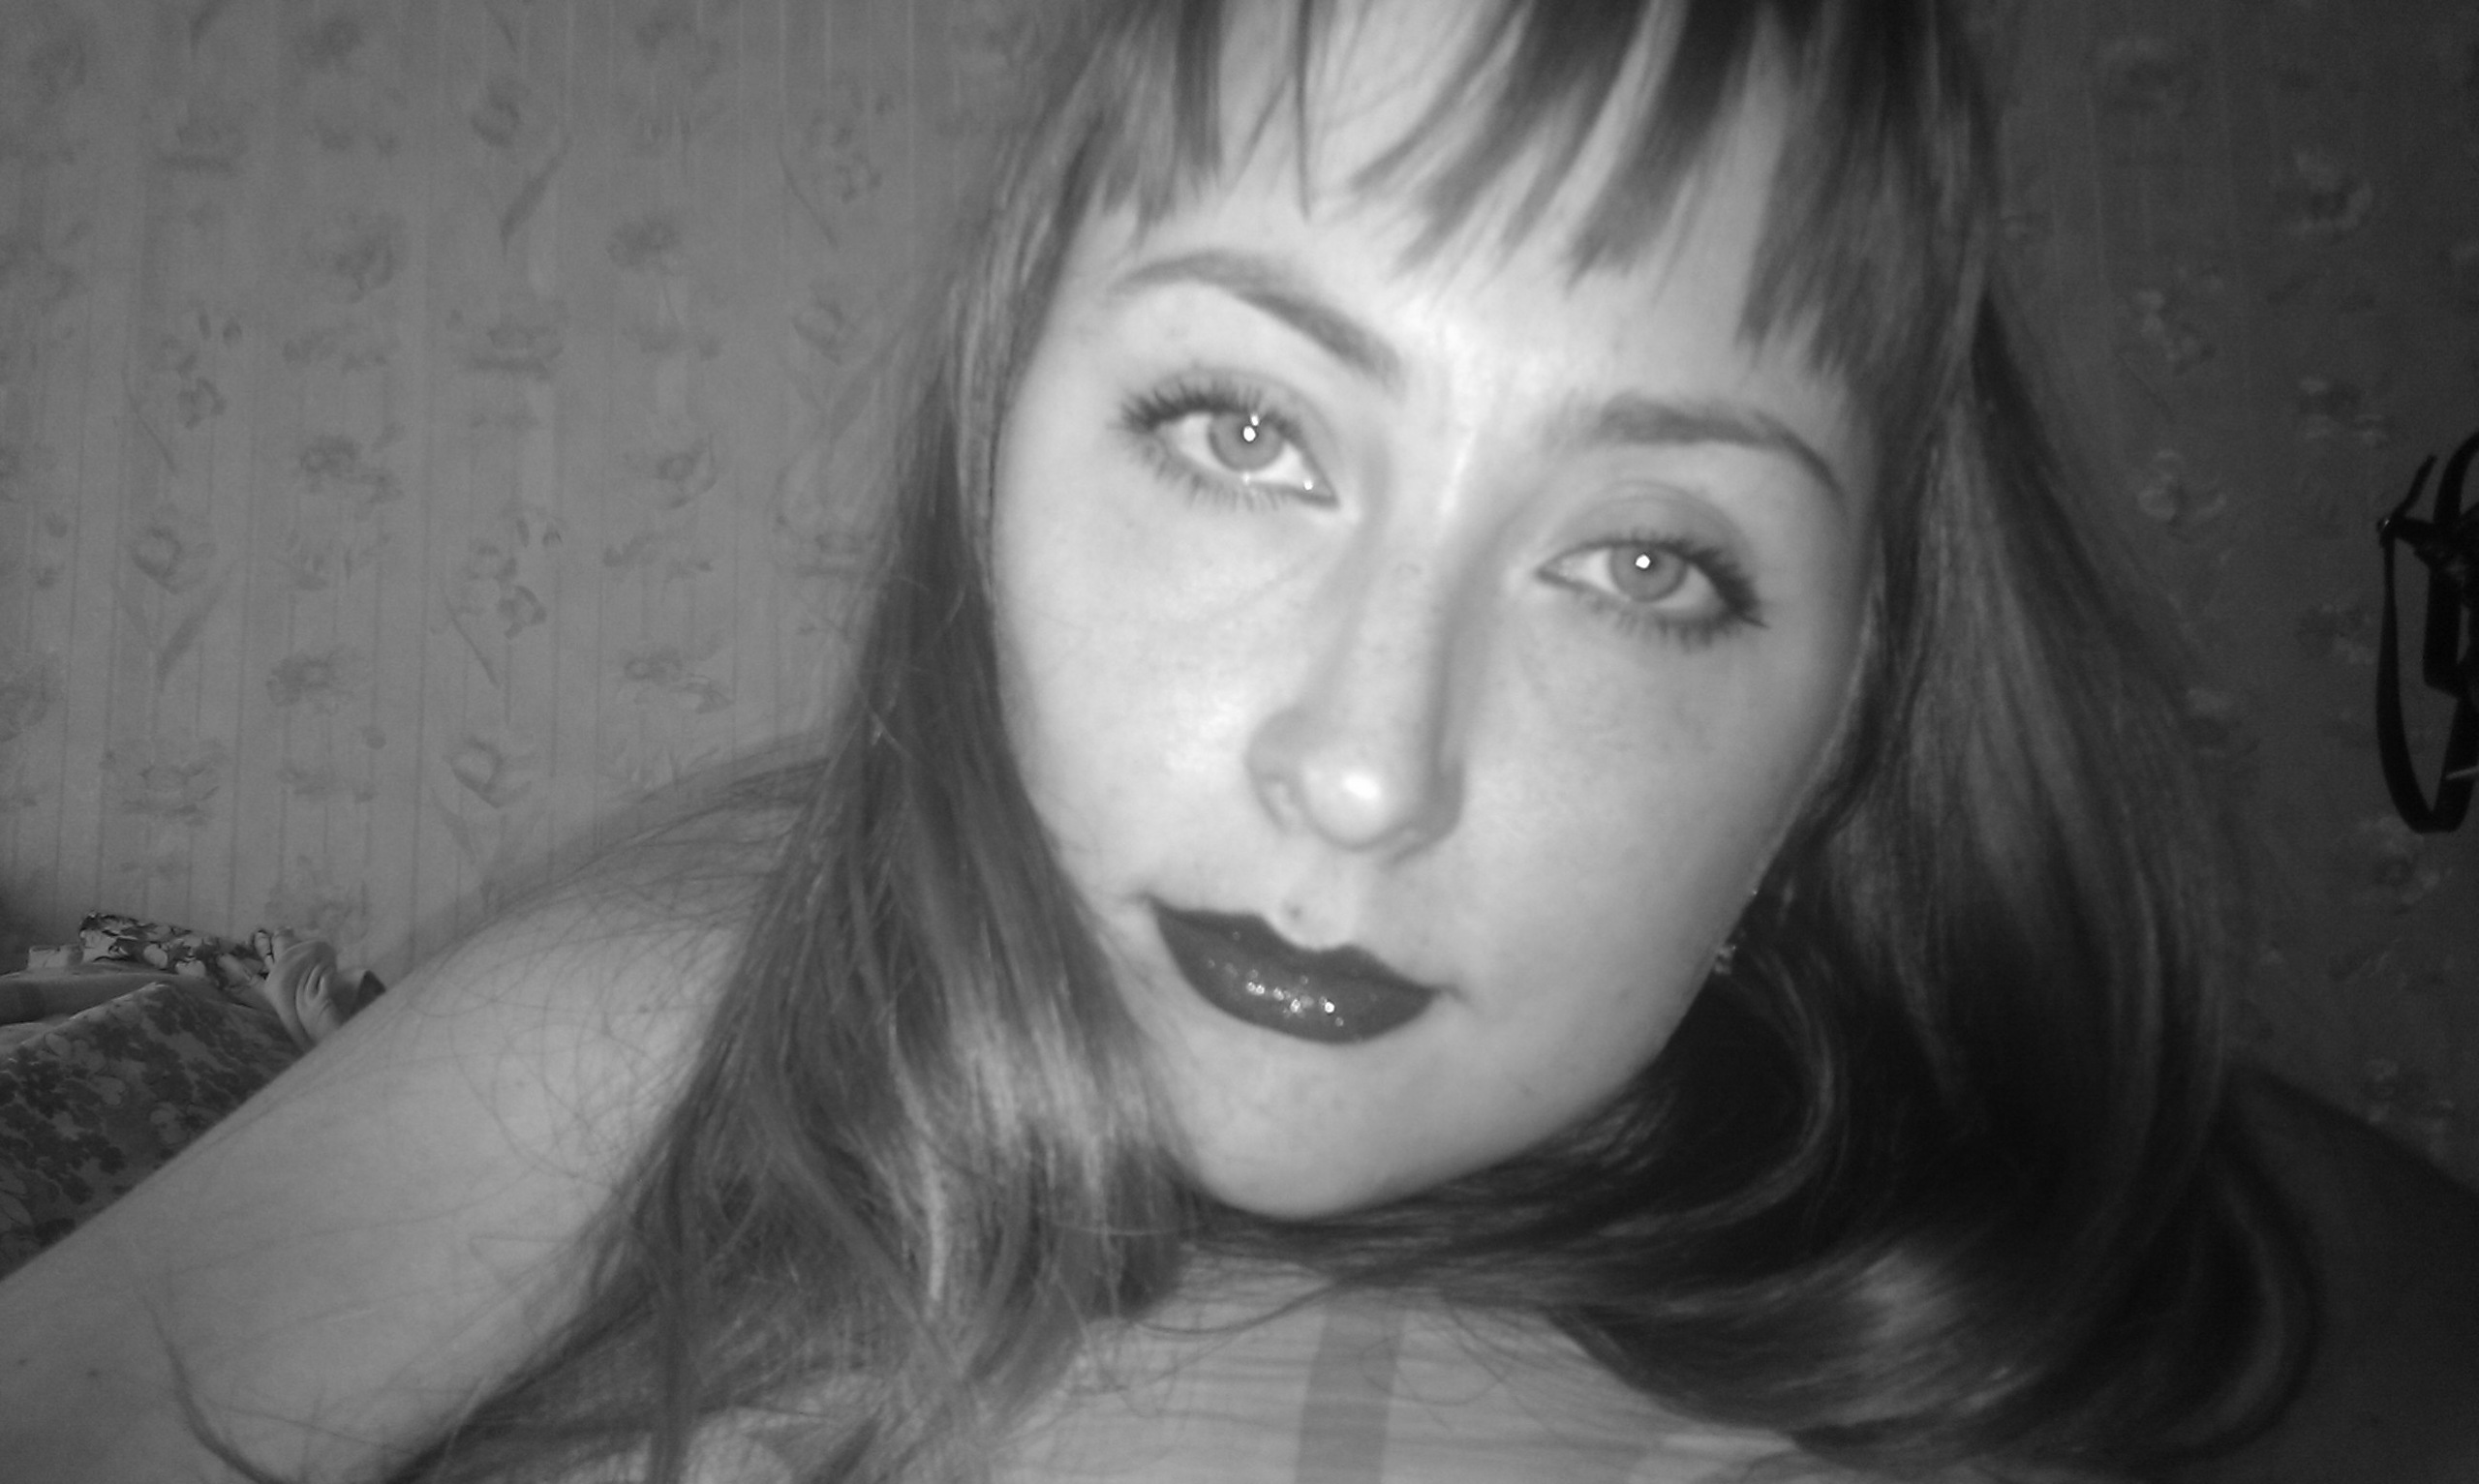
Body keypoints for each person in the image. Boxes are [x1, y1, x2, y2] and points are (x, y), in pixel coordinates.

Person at [7, 0, 2473, 1478]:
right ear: (990, 461)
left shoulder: (2129, 1220)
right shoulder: (691, 995)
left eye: (1642, 562)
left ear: (1831, 730)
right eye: (1244, 431)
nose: (1366, 767)